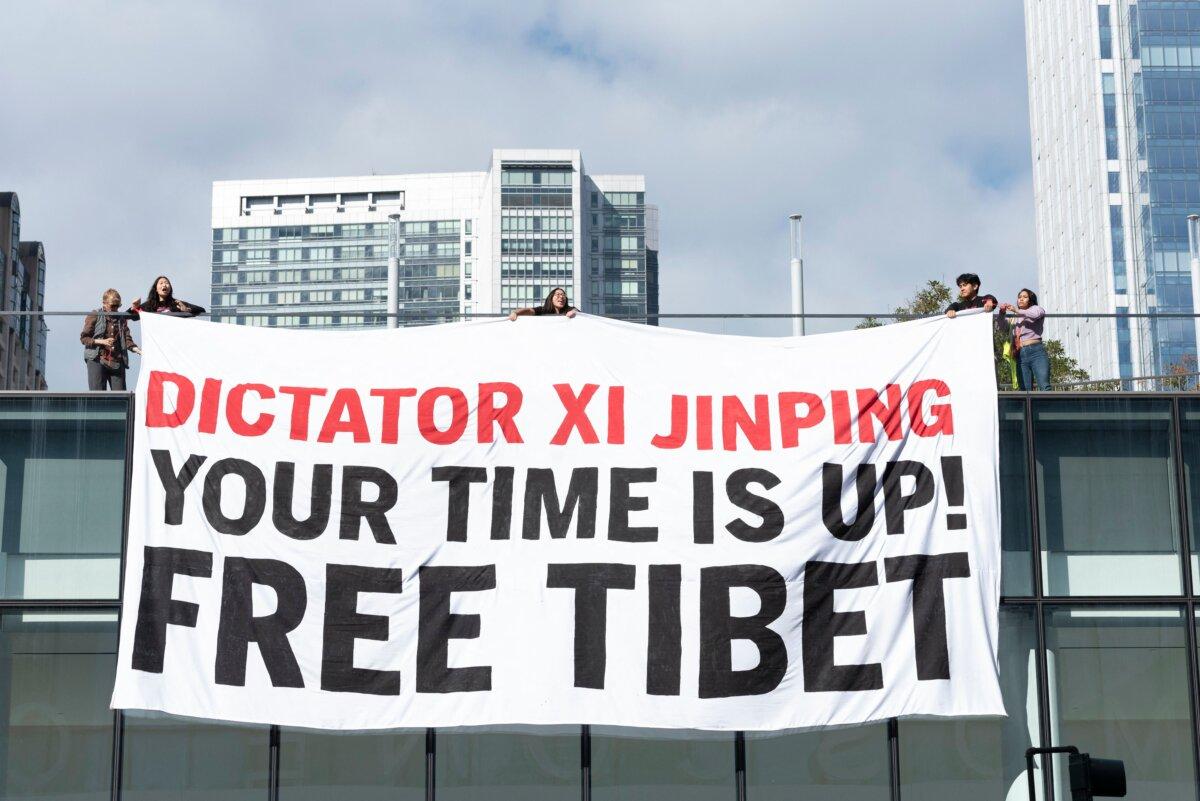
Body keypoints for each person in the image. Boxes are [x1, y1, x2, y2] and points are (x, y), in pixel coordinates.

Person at [81, 289, 141, 390]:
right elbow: (84, 338)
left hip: (116, 360)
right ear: (104, 303)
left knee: (120, 397)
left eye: (118, 306)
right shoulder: (95, 315)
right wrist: (101, 341)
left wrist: (136, 349)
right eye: (112, 305)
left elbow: (126, 338)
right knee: (97, 395)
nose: (115, 308)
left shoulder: (121, 319)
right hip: (97, 359)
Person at [1000, 288, 1050, 390]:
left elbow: (1035, 315)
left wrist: (1016, 310)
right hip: (1020, 354)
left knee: (1044, 386)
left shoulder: (1036, 308)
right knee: (1024, 391)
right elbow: (1002, 327)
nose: (1021, 299)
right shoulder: (1015, 316)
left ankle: (1047, 406)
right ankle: (1028, 406)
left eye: (1025, 297)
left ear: (1030, 300)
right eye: (1019, 297)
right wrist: (1002, 313)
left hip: (1036, 352)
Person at [128, 275, 206, 319]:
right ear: (156, 289)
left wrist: (187, 310)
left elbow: (202, 310)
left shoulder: (177, 304)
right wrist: (134, 307)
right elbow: (131, 316)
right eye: (161, 283)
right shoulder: (149, 305)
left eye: (166, 283)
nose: (164, 285)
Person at [508, 287, 578, 320]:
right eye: (558, 294)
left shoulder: (569, 309)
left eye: (563, 295)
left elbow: (576, 311)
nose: (561, 297)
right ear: (551, 299)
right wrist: (515, 312)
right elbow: (529, 310)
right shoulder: (543, 310)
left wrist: (574, 312)